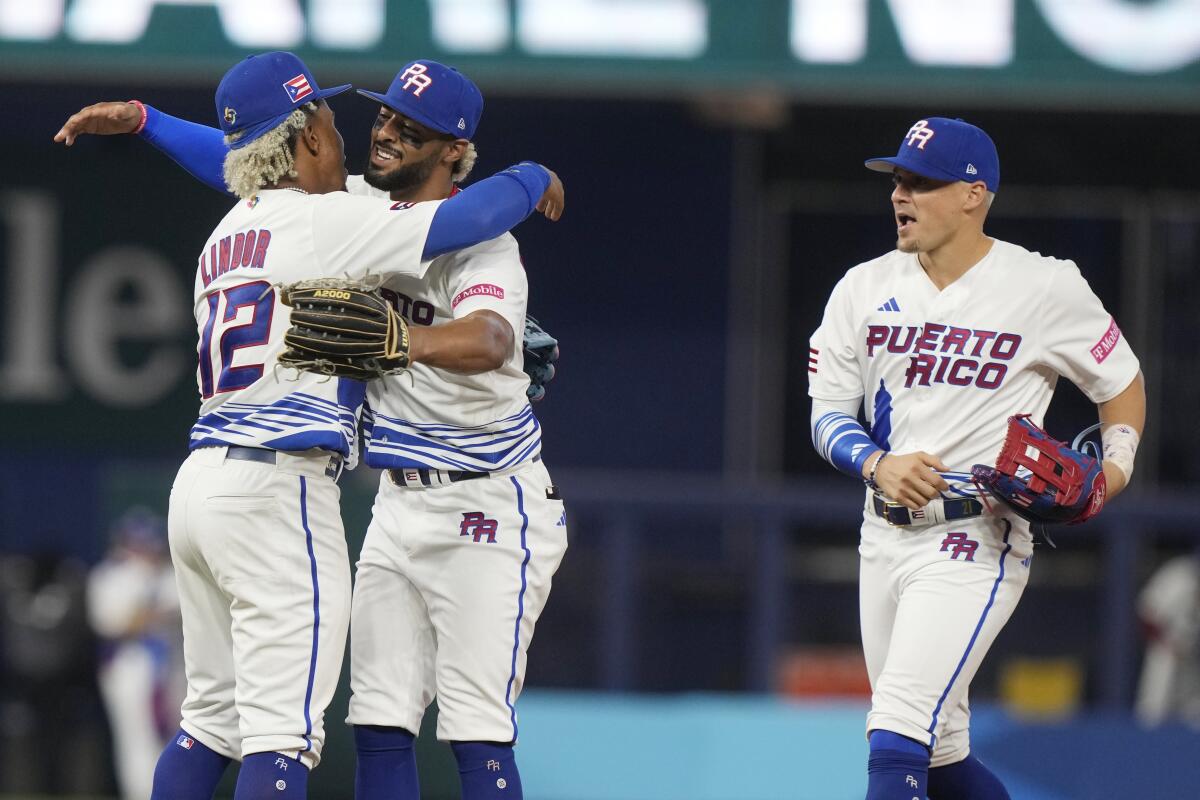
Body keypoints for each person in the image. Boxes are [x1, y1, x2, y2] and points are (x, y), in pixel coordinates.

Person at [57, 50, 563, 800]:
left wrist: (147, 120)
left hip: (450, 495)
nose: (378, 128)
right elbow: (462, 212)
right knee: (290, 733)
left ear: (451, 147)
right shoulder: (342, 216)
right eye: (370, 112)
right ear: (310, 141)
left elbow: (489, 335)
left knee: (219, 722)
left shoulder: (239, 225)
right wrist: (535, 177)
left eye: (407, 124)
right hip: (284, 485)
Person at [808, 117, 1145, 800]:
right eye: (897, 179)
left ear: (973, 193)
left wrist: (1112, 474)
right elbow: (826, 414)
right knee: (941, 756)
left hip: (975, 533)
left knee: (897, 734)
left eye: (921, 183)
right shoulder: (861, 287)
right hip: (883, 532)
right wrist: (876, 464)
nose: (901, 195)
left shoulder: (1043, 285)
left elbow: (1122, 383)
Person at [86, 508, 184, 800]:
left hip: (173, 664)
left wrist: (151, 614)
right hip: (129, 664)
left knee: (179, 737)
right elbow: (112, 624)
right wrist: (151, 613)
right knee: (137, 739)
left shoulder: (172, 574)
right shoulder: (110, 576)